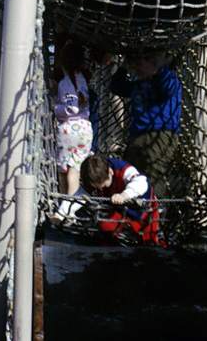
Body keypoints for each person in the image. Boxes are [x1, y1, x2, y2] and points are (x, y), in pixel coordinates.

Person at [110, 51, 181, 198]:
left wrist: (159, 65)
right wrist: (124, 66)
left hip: (160, 133)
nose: (137, 71)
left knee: (153, 173)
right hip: (138, 135)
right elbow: (115, 86)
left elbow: (168, 88)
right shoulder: (138, 85)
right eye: (134, 68)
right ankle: (134, 209)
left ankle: (155, 208)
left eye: (140, 66)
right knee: (131, 173)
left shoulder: (167, 78)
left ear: (153, 62)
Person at [80, 154, 159, 244]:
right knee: (106, 227)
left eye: (103, 186)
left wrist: (124, 195)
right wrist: (62, 214)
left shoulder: (123, 170)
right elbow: (81, 193)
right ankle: (110, 251)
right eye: (98, 188)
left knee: (149, 241)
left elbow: (142, 182)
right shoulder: (96, 173)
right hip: (120, 208)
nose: (101, 190)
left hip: (143, 209)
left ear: (110, 172)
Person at [54, 40, 93, 196]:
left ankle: (65, 205)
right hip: (85, 130)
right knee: (75, 169)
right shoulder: (82, 80)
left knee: (64, 172)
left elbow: (72, 108)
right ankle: (71, 207)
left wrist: (54, 107)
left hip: (69, 131)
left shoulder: (65, 83)